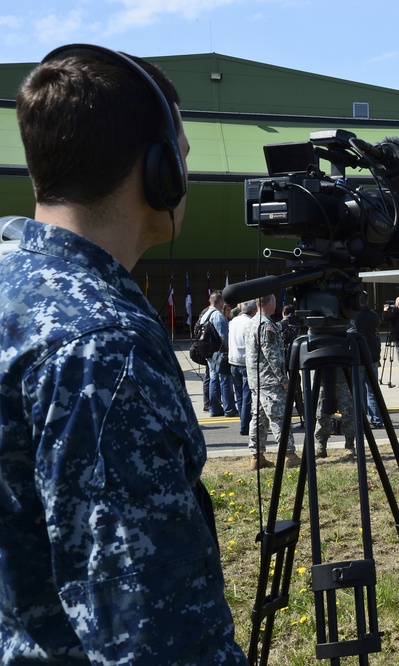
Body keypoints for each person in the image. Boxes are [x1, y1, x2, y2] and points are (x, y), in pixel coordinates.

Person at [0, 44, 246, 663]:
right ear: (160, 169)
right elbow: (153, 636)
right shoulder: (104, 349)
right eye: (183, 155)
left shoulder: (13, 290)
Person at [246, 293, 301, 470]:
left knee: (258, 419)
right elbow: (273, 355)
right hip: (269, 380)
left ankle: (256, 456)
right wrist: (283, 379)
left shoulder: (251, 322)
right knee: (279, 418)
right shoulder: (266, 325)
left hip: (256, 380)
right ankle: (289, 454)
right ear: (270, 302)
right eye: (275, 301)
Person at [199, 290, 237, 417]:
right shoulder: (217, 316)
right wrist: (231, 351)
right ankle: (229, 408)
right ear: (220, 301)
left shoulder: (205, 314)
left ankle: (214, 408)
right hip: (219, 353)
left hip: (209, 352)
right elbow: (225, 337)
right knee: (225, 379)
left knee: (213, 378)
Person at [229, 298, 257, 436]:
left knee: (239, 395)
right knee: (247, 396)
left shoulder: (233, 321)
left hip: (233, 361)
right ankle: (245, 425)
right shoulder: (250, 323)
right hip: (245, 363)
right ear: (253, 311)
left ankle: (243, 421)